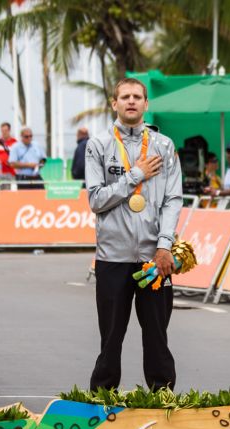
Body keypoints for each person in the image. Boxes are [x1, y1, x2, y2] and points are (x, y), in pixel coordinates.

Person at [86, 77, 182, 391]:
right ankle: (101, 400)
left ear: (145, 104)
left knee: (157, 337)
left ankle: (164, 399)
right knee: (110, 339)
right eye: (124, 96)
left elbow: (173, 199)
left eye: (137, 97)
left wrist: (165, 245)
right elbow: (96, 200)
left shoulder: (164, 146)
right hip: (112, 258)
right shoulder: (98, 144)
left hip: (154, 260)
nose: (131, 101)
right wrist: (136, 174)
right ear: (114, 103)